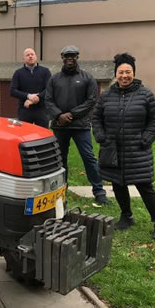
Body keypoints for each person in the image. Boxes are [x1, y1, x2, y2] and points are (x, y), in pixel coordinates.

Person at [92, 53, 155, 240]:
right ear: (115, 73)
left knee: (145, 186)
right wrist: (100, 136)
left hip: (137, 151)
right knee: (118, 184)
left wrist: (146, 139)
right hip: (112, 150)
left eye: (128, 72)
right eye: (120, 72)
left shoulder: (145, 94)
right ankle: (126, 216)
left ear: (133, 72)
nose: (124, 75)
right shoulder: (107, 95)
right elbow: (96, 117)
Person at [45, 45, 108, 205]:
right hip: (60, 126)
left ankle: (99, 191)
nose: (69, 58)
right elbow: (48, 100)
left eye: (72, 55)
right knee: (60, 160)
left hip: (81, 126)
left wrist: (71, 114)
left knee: (88, 158)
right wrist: (59, 115)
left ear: (77, 57)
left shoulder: (87, 78)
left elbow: (92, 100)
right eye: (67, 56)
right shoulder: (54, 79)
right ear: (62, 57)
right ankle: (61, 190)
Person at [10, 47, 51, 128]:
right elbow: (12, 91)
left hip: (41, 109)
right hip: (24, 110)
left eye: (32, 54)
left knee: (43, 135)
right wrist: (28, 96)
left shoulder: (45, 71)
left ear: (36, 56)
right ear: (24, 58)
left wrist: (36, 98)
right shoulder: (18, 73)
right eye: (27, 55)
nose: (30, 56)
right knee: (24, 135)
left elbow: (50, 89)